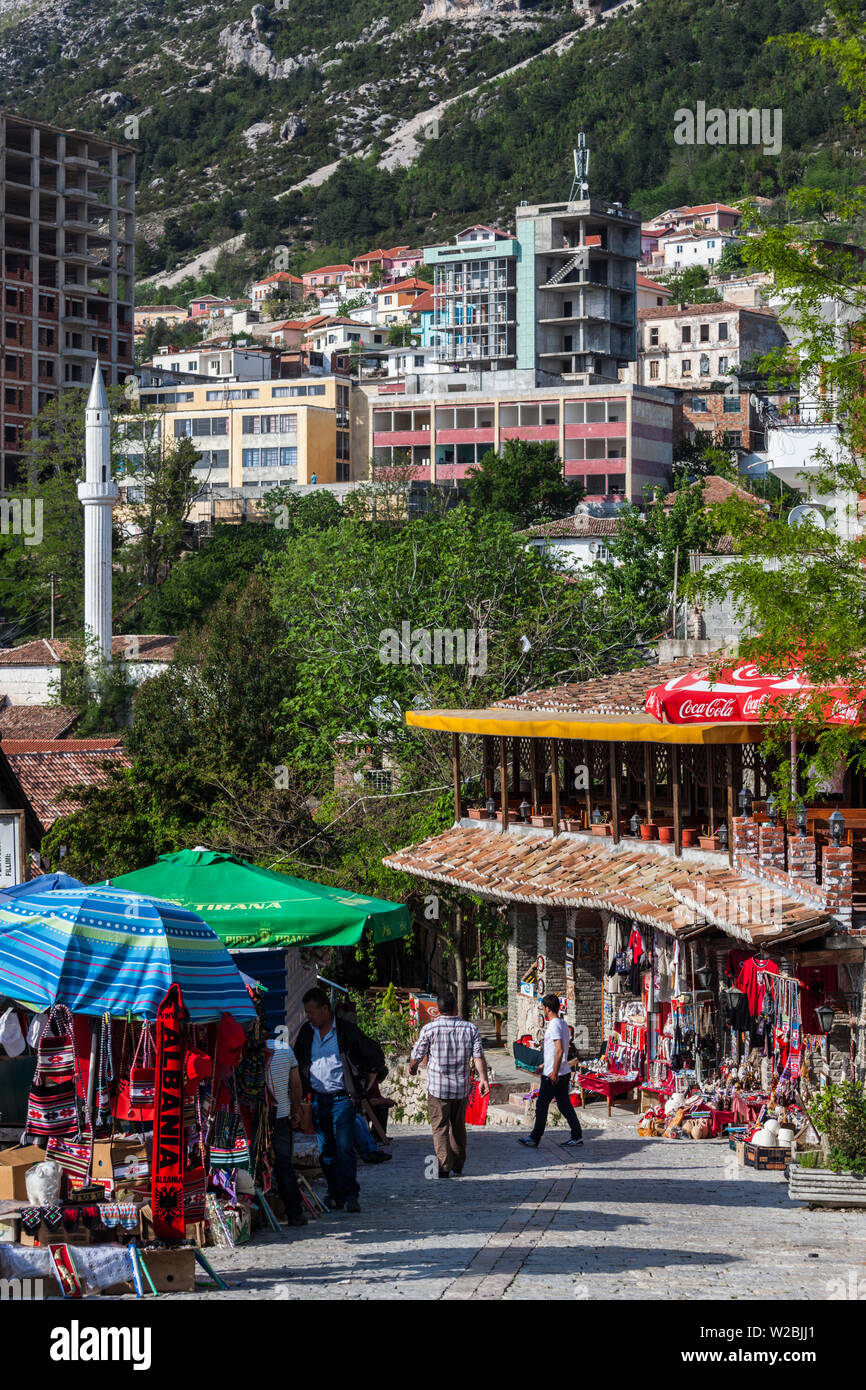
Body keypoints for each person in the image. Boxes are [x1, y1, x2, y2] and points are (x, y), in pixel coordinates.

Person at [294, 987, 385, 1213]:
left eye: (311, 1012)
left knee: (344, 1147)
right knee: (326, 1151)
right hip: (318, 1099)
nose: (308, 1016)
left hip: (342, 1099)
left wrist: (365, 1082)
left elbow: (373, 1053)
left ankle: (350, 1194)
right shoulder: (307, 1033)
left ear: (325, 1009)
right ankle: (335, 1193)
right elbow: (298, 1063)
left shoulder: (345, 1031)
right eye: (306, 1012)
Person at [409, 992, 489, 1178]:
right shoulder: (470, 1029)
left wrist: (412, 1067)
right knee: (458, 1125)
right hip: (461, 1088)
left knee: (440, 1127)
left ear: (437, 1009)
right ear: (456, 1008)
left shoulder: (429, 1029)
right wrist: (483, 1079)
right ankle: (458, 1164)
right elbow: (478, 1056)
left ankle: (444, 1167)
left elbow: (418, 1053)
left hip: (438, 1088)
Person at [519, 995, 583, 1149]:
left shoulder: (554, 1025)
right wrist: (544, 1064)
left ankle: (535, 1138)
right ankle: (577, 1135)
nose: (543, 1009)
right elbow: (555, 1051)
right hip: (562, 1071)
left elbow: (559, 1050)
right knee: (564, 1105)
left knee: (542, 1105)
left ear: (547, 1008)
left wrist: (553, 1072)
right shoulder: (563, 1023)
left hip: (555, 1074)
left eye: (543, 1007)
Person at [266, 1036, 307, 1226]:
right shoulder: (285, 1050)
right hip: (281, 1116)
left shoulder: (248, 1049)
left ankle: (259, 1215)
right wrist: (295, 1111)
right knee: (284, 1165)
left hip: (255, 1116)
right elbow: (296, 1085)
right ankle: (294, 1213)